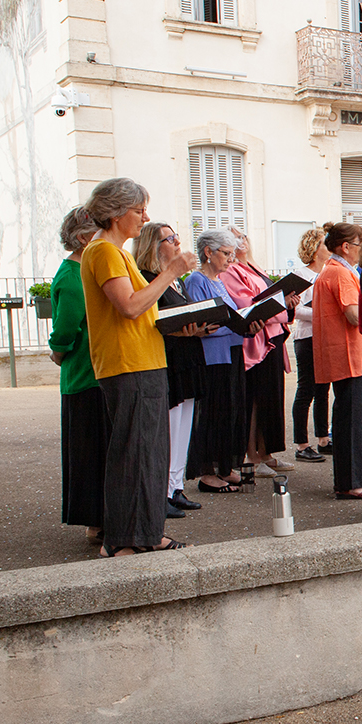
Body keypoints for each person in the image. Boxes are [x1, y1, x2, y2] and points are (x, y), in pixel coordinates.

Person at [80, 177, 196, 556]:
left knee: (150, 454)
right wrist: (171, 272)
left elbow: (140, 308)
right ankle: (121, 540)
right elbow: (128, 305)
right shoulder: (102, 252)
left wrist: (177, 327)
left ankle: (146, 531)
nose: (144, 217)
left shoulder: (120, 253)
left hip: (144, 360)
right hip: (127, 365)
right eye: (138, 210)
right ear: (116, 213)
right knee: (134, 453)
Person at [134, 222, 210, 519]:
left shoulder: (176, 281)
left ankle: (176, 486)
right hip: (169, 360)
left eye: (177, 237)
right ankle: (162, 491)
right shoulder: (149, 278)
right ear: (153, 246)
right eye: (170, 239)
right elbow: (153, 320)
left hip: (188, 357)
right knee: (168, 428)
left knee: (183, 427)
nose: (177, 243)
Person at [49, 206, 107, 544]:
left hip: (91, 372)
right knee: (89, 450)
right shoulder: (72, 276)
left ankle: (100, 516)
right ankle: (94, 520)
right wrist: (58, 351)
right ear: (84, 237)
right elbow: (65, 329)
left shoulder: (80, 271)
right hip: (84, 375)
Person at [222, 228, 299, 479]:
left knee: (271, 398)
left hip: (274, 335)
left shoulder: (254, 266)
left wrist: (288, 301)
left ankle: (266, 452)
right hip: (256, 339)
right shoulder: (231, 269)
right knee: (256, 399)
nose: (241, 241)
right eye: (234, 238)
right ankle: (252, 455)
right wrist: (281, 306)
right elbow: (247, 304)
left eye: (243, 236)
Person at [184, 230, 253, 493]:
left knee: (231, 411)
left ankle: (225, 466)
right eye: (225, 253)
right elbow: (205, 321)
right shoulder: (196, 280)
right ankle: (206, 472)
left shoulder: (219, 280)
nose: (230, 258)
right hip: (212, 355)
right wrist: (236, 324)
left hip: (231, 350)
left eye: (231, 253)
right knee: (213, 412)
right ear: (208, 252)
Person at [313, 222, 362, 499]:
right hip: (350, 355)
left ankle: (351, 480)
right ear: (345, 247)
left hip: (347, 354)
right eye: (360, 245)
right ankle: (353, 482)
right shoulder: (339, 273)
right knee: (353, 422)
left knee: (349, 419)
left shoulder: (335, 271)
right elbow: (352, 314)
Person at [291, 228, 331, 462]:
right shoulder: (300, 275)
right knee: (305, 389)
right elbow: (294, 309)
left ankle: (323, 438)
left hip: (325, 337)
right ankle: (301, 444)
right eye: (325, 244)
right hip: (307, 337)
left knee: (323, 389)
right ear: (315, 249)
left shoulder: (328, 273)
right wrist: (321, 313)